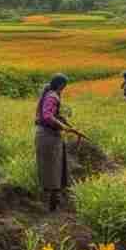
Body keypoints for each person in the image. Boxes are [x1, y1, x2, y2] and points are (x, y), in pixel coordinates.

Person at [35, 74, 79, 212]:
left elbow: (53, 116)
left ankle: (54, 199)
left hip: (46, 136)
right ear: (61, 85)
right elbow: (47, 116)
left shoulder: (48, 94)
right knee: (54, 168)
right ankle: (53, 203)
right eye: (64, 86)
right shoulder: (52, 96)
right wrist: (64, 127)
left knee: (54, 167)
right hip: (49, 137)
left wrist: (68, 126)